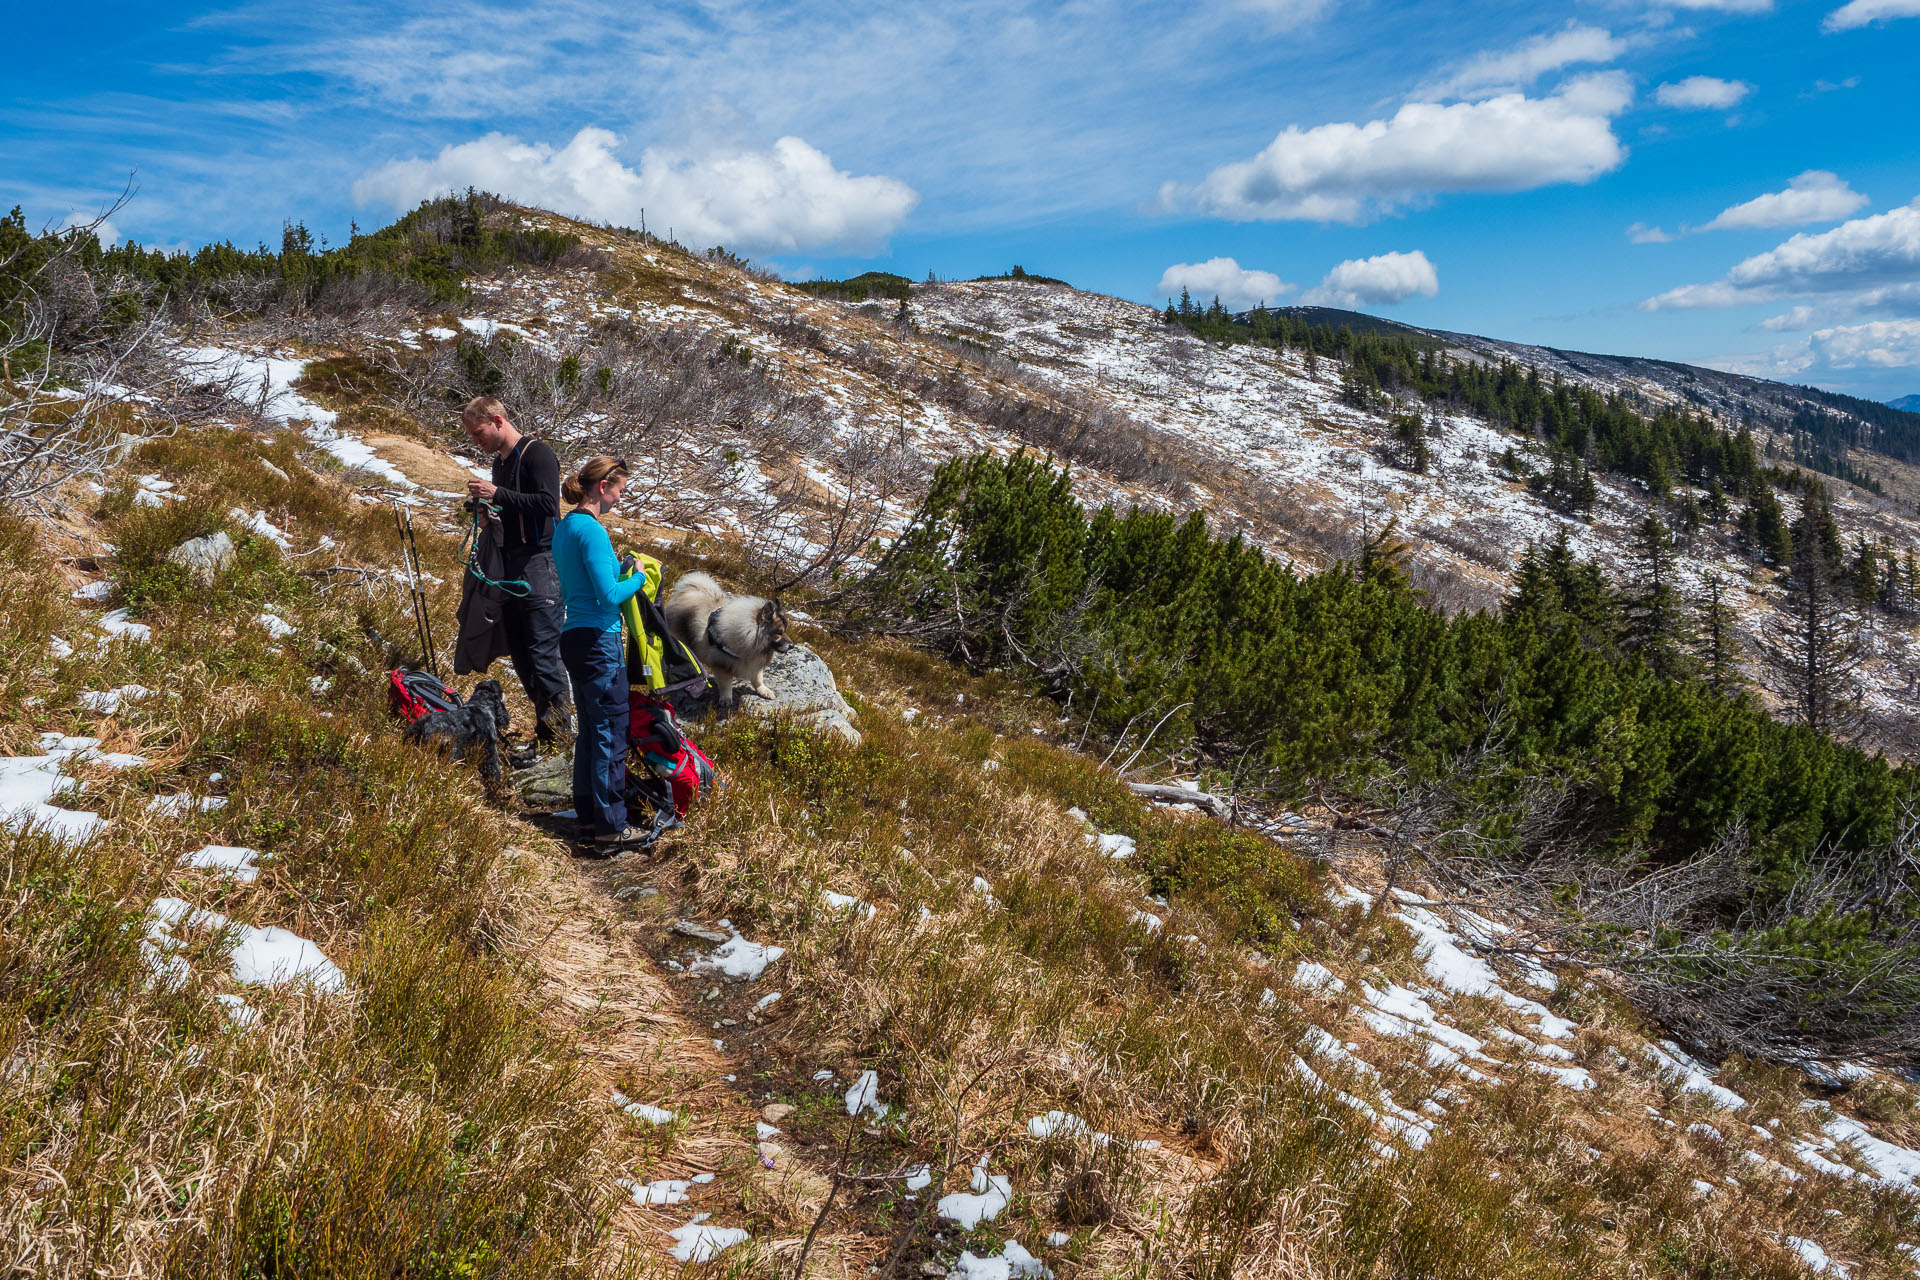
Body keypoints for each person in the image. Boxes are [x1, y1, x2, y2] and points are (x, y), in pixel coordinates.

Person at [461, 396, 572, 758]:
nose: (476, 441)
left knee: (543, 651)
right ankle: (547, 733)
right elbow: (511, 508)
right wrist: (487, 511)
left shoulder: (537, 454)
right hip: (511, 566)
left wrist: (498, 494)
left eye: (478, 433)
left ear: (497, 420)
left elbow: (547, 505)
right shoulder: (500, 464)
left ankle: (560, 738)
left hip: (540, 563)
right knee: (523, 652)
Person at [551, 455, 649, 848]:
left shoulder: (565, 528)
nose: (619, 499)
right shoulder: (591, 531)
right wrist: (638, 577)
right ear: (603, 486)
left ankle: (589, 817)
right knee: (610, 728)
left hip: (575, 636)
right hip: (598, 640)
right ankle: (611, 826)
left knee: (591, 730)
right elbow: (608, 595)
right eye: (619, 490)